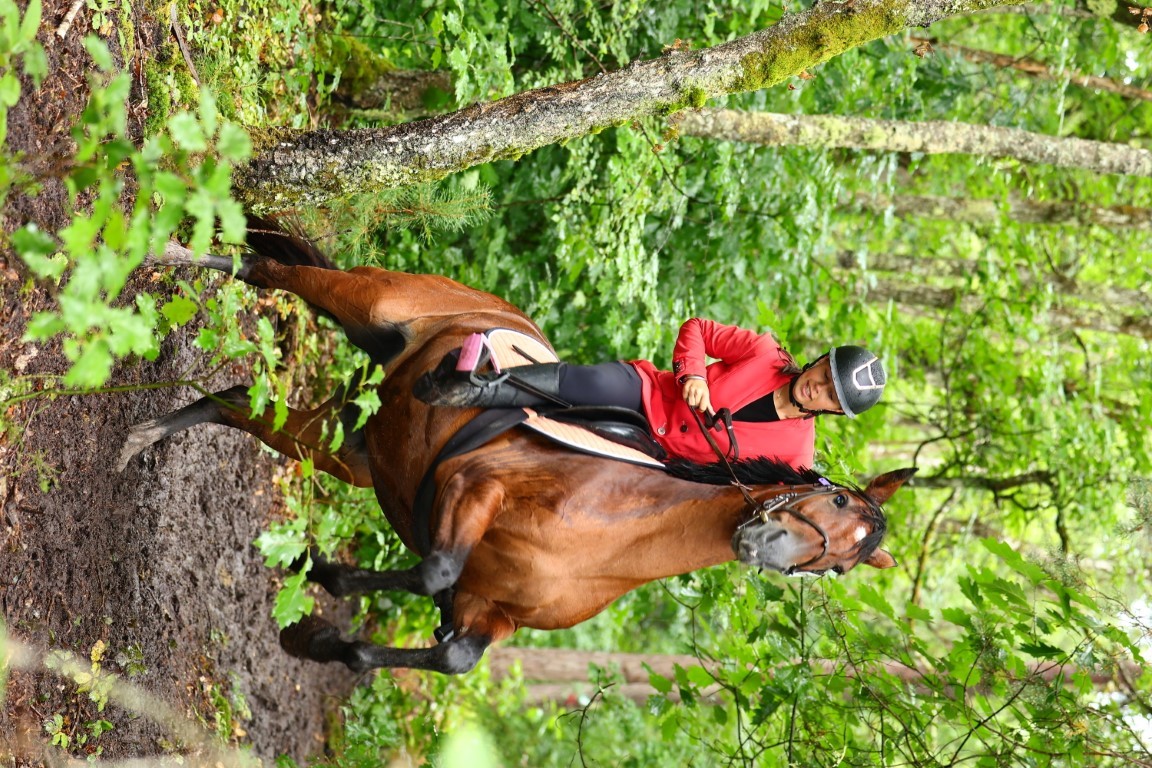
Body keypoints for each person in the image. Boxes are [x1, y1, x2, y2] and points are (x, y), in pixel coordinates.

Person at [414, 318, 886, 468]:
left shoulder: (797, 457)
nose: (817, 385)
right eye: (824, 372)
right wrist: (694, 377)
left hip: (664, 469)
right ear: (820, 360)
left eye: (828, 394)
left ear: (833, 411)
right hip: (649, 398)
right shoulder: (764, 353)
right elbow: (697, 329)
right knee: (593, 383)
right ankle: (478, 386)